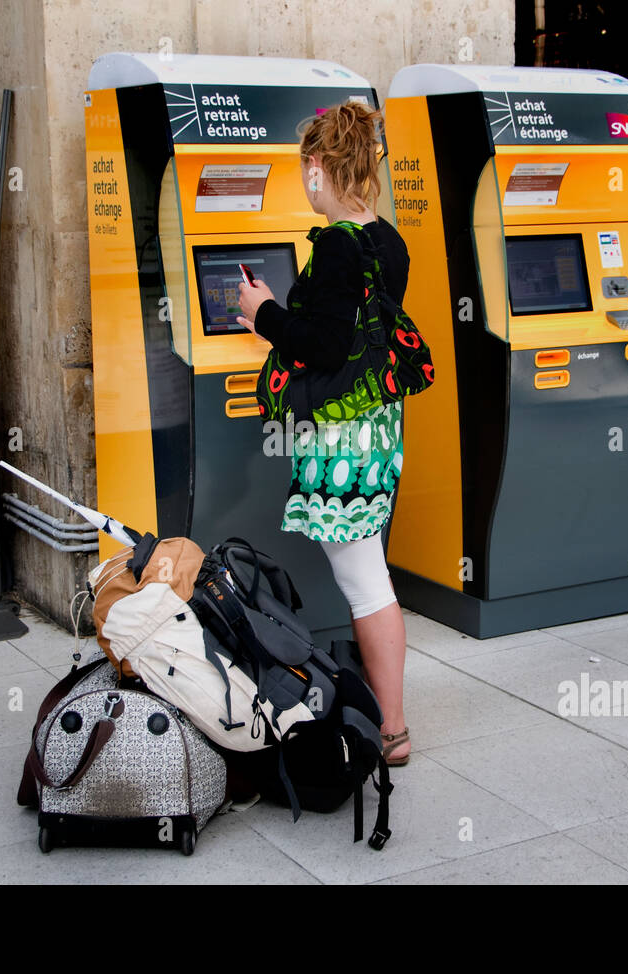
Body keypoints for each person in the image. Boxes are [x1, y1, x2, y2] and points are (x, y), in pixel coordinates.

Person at [235, 102, 413, 766]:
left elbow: (327, 345)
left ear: (317, 167)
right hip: (376, 422)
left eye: (303, 171)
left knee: (365, 577)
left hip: (346, 436)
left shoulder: (339, 242)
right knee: (368, 569)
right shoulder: (385, 238)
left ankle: (392, 728)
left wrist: (265, 313)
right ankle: (387, 712)